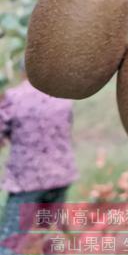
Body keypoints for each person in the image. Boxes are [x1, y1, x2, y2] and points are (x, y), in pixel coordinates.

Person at [0, 63, 79, 255]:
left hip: (27, 180)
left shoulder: (13, 97)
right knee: (51, 232)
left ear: (22, 72)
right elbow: (66, 127)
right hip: (61, 174)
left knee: (10, 238)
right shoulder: (62, 97)